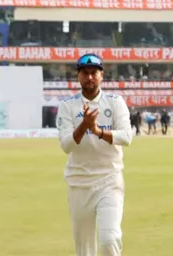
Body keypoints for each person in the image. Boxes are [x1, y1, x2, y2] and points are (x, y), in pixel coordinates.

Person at [56, 53, 133, 256]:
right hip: (79, 183)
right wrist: (83, 126)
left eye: (94, 73)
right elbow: (66, 145)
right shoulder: (67, 106)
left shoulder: (115, 102)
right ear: (78, 76)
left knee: (110, 239)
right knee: (84, 250)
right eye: (85, 73)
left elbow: (126, 137)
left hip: (109, 180)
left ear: (102, 75)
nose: (89, 77)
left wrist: (97, 131)